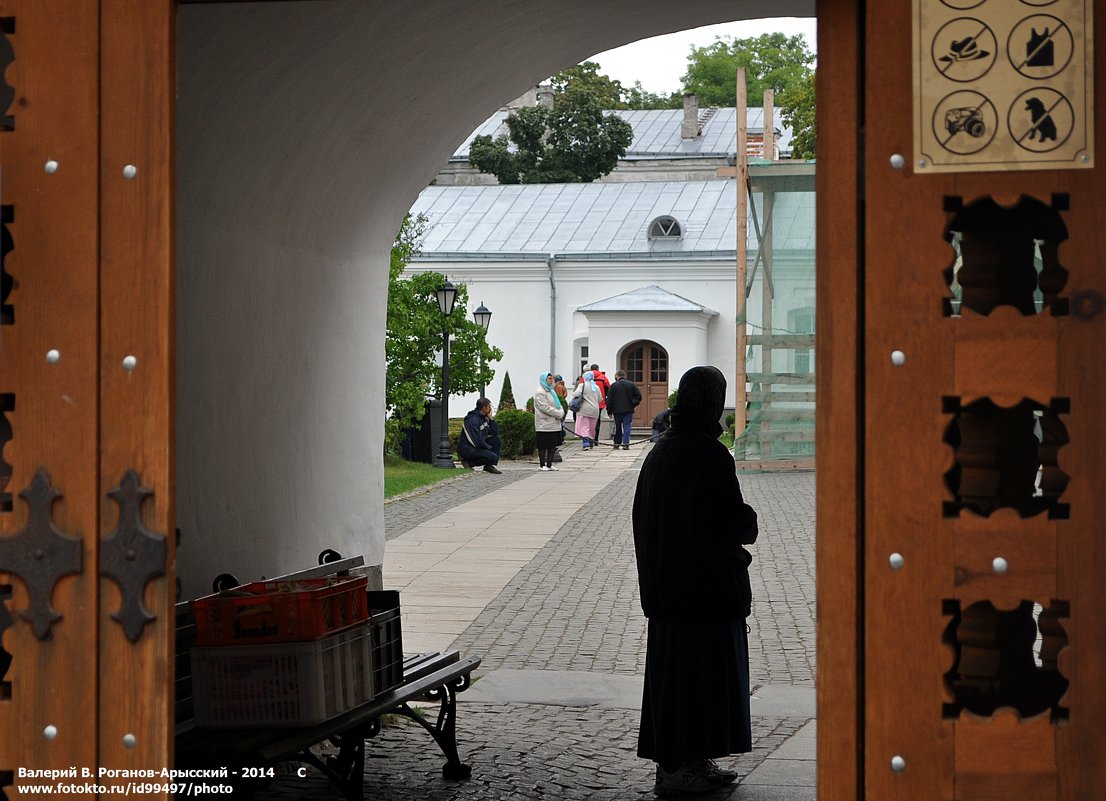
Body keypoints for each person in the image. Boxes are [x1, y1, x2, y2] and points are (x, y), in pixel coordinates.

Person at [632, 366, 759, 797]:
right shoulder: (707, 453)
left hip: (669, 591)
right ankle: (682, 767)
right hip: (703, 592)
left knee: (677, 683)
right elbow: (732, 522)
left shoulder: (661, 450)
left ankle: (682, 762)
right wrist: (749, 523)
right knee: (701, 682)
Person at [458, 398, 502, 474]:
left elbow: (495, 432)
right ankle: (468, 462)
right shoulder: (472, 420)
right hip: (469, 448)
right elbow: (474, 441)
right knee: (493, 457)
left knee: (496, 440)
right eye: (489, 407)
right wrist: (487, 447)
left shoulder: (484, 418)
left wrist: (491, 419)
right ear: (484, 408)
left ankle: (489, 466)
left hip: (479, 445)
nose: (491, 409)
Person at [533, 373, 564, 471]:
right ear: (544, 380)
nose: (551, 380)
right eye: (549, 378)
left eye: (552, 378)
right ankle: (542, 464)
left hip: (554, 423)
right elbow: (545, 407)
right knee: (543, 445)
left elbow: (557, 404)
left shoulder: (551, 391)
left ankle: (550, 464)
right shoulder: (540, 392)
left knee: (552, 445)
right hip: (544, 423)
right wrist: (558, 414)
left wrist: (561, 412)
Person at [605, 370, 642, 449]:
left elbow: (609, 400)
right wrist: (633, 404)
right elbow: (639, 396)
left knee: (618, 427)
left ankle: (617, 443)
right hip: (628, 409)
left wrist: (609, 411)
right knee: (627, 426)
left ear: (617, 376)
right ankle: (626, 443)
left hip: (617, 410)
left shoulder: (613, 386)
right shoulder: (631, 385)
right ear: (624, 376)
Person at [571, 370, 602, 450]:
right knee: (592, 427)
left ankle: (586, 443)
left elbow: (575, 394)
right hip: (595, 410)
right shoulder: (596, 387)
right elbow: (600, 399)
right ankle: (591, 442)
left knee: (585, 427)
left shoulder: (582, 385)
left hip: (584, 410)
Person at [589, 363, 611, 441]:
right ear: (598, 369)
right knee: (597, 421)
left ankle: (588, 439)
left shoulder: (586, 377)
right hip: (599, 402)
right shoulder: (603, 377)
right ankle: (596, 439)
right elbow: (608, 389)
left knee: (588, 421)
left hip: (588, 403)